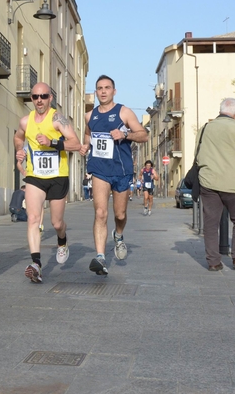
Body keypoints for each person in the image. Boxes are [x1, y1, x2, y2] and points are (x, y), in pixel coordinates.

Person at [80, 75, 148, 274]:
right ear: (96, 92)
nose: (103, 91)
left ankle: (118, 235)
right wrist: (86, 146)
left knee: (120, 214)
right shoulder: (89, 116)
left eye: (107, 88)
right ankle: (100, 257)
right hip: (100, 170)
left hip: (122, 170)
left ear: (114, 91)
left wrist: (125, 134)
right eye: (99, 88)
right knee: (101, 213)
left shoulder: (123, 112)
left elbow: (143, 134)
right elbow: (88, 134)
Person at [14, 82, 82, 283]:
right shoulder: (26, 121)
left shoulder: (58, 119)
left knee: (56, 222)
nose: (39, 100)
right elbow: (18, 138)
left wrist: (52, 142)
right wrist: (20, 153)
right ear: (31, 99)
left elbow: (76, 144)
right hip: (35, 176)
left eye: (43, 96)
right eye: (35, 97)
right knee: (33, 218)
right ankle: (36, 263)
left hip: (57, 176)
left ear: (50, 98)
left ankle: (62, 240)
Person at [196, 98, 235, 271]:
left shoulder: (205, 128)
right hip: (234, 182)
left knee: (210, 223)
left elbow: (198, 154)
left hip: (209, 182)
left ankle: (213, 262)